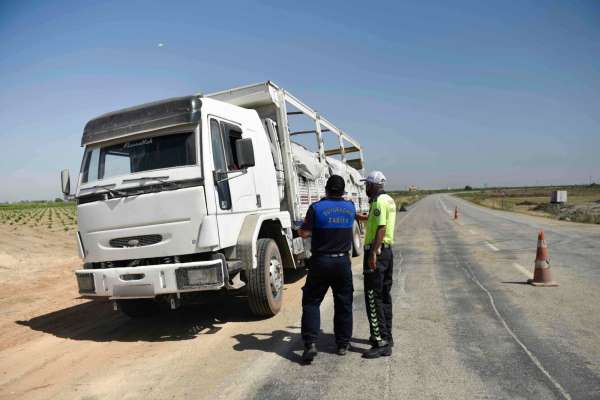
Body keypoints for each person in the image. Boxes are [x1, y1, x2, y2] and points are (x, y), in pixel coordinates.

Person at [299, 175, 356, 363]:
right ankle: (342, 344)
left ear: (326, 189)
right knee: (344, 303)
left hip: (321, 262)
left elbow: (305, 232)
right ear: (343, 191)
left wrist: (301, 230)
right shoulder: (350, 207)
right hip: (342, 263)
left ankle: (310, 344)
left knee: (311, 302)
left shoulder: (316, 208)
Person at [356, 170, 397, 359]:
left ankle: (380, 343)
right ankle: (387, 336)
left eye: (367, 185)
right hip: (386, 252)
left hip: (378, 253)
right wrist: (359, 217)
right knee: (384, 295)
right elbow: (377, 221)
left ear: (372, 185)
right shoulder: (388, 200)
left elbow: (381, 228)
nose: (365, 187)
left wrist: (373, 252)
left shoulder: (379, 201)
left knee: (373, 297)